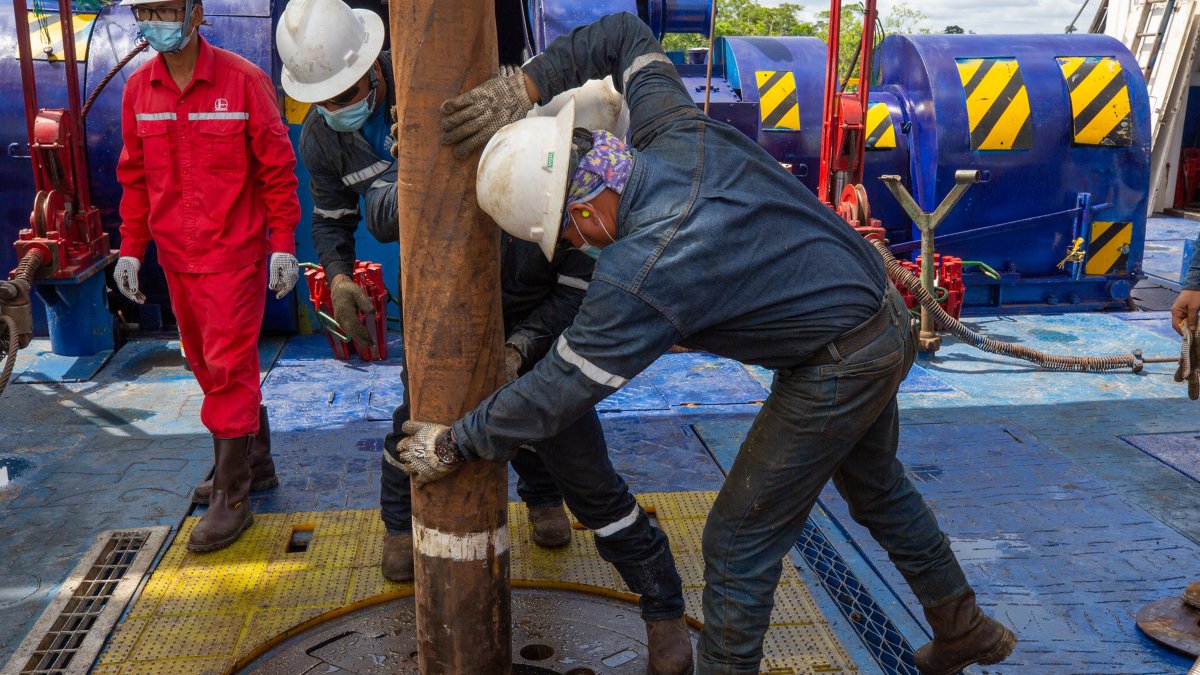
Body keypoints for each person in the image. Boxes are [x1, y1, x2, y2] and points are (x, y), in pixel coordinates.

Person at [397, 12, 1018, 675]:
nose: (576, 250)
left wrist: (454, 440)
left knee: (736, 541)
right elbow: (625, 36)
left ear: (581, 212)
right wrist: (524, 87)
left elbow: (557, 392)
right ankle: (963, 625)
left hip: (838, 360)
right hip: (878, 315)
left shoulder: (639, 276)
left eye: (567, 238)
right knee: (875, 485)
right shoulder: (674, 131)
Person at [276, 11, 691, 670]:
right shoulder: (325, 140)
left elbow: (575, 300)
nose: (339, 106)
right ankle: (398, 522)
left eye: (349, 92)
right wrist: (338, 272)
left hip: (533, 314)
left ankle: (646, 589)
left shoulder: (566, 193)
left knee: (578, 464)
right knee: (416, 416)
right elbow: (339, 216)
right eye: (325, 99)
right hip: (439, 298)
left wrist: (519, 347)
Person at [112, 0, 300, 552]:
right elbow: (135, 179)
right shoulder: (137, 91)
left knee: (227, 364)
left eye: (166, 10)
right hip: (176, 257)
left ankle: (233, 496)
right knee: (204, 361)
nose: (155, 22)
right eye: (145, 11)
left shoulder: (244, 83)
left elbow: (277, 169)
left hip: (234, 256)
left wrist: (282, 245)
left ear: (195, 13)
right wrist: (130, 249)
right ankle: (255, 459)